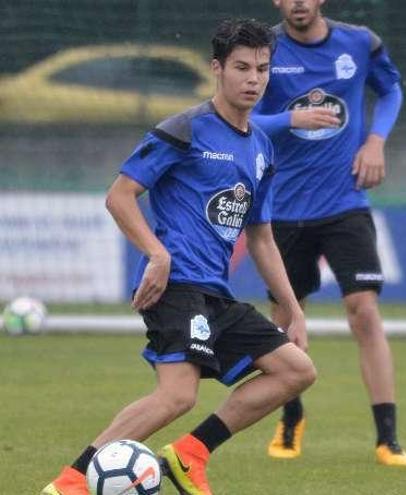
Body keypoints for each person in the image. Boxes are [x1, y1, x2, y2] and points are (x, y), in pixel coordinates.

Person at [41, 19, 316, 495]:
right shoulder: (185, 129)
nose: (253, 79)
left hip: (216, 294)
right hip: (175, 285)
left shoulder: (262, 148)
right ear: (217, 69)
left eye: (262, 69)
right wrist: (157, 254)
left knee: (296, 370)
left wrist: (290, 305)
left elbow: (262, 237)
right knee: (177, 395)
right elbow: (120, 195)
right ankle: (70, 483)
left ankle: (190, 455)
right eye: (242, 68)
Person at [250, 0, 406, 466]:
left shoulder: (358, 43)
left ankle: (388, 439)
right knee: (285, 316)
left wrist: (376, 140)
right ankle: (290, 418)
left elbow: (392, 90)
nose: (299, 2)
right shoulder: (263, 49)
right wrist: (289, 119)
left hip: (345, 204)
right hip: (281, 209)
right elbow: (238, 114)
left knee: (363, 310)